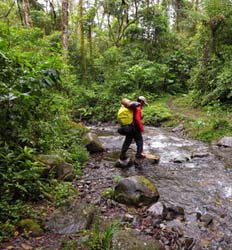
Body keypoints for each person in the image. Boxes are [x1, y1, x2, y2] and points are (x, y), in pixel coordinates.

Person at [119, 96, 147, 161]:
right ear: (141, 101)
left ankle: (122, 155)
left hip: (129, 127)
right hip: (135, 127)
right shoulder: (138, 106)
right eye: (143, 103)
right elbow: (137, 119)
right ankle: (139, 154)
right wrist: (141, 128)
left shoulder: (131, 106)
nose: (143, 104)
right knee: (139, 140)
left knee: (128, 141)